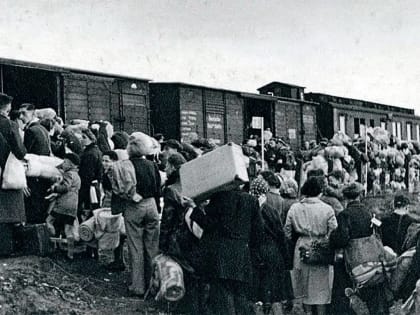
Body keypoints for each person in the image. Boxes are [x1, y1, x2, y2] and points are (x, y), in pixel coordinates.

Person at [189, 185, 264, 315]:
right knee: (240, 297)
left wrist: (195, 209)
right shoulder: (251, 200)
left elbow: (209, 225)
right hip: (242, 254)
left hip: (221, 256)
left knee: (223, 298)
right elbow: (258, 231)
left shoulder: (219, 198)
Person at [329, 182, 390, 315]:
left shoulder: (344, 214)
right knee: (373, 288)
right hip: (371, 256)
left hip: (353, 257)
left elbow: (342, 238)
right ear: (359, 196)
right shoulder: (368, 212)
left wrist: (332, 236)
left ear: (345, 198)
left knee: (343, 287)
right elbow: (378, 230)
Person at [284, 176, 337, 315]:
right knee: (320, 288)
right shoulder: (327, 209)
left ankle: (307, 313)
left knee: (303, 287)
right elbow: (333, 231)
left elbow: (287, 231)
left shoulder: (294, 208)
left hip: (301, 246)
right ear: (320, 191)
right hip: (320, 246)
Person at [159, 153, 203, 313]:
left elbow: (167, 220)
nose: (165, 168)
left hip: (178, 238)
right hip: (195, 237)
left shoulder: (171, 190)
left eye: (167, 165)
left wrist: (163, 243)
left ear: (173, 168)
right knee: (195, 277)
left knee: (180, 274)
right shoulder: (194, 185)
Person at [122, 132, 161, 297]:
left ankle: (137, 286)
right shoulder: (153, 166)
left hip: (135, 206)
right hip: (152, 205)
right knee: (152, 246)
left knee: (135, 247)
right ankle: (153, 285)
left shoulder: (125, 165)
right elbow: (159, 188)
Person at [249, 177, 292, 314]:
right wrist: (287, 260)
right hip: (273, 254)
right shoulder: (271, 211)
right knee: (275, 295)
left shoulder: (247, 210)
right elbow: (281, 236)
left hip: (254, 254)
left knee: (256, 295)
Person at [0, 93, 27, 256]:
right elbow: (20, 151)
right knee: (9, 212)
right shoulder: (10, 125)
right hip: (7, 173)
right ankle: (6, 249)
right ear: (6, 108)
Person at [19, 103, 52, 223]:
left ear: (33, 114)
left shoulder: (31, 131)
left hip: (33, 176)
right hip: (44, 176)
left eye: (24, 113)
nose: (21, 117)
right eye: (20, 113)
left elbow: (24, 156)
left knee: (32, 213)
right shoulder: (43, 129)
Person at [45, 153, 81, 259]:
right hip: (73, 206)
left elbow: (65, 187)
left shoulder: (69, 174)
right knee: (68, 229)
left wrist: (54, 188)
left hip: (63, 205)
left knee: (49, 221)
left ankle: (53, 245)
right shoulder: (77, 175)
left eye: (65, 162)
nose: (63, 164)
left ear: (71, 164)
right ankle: (70, 254)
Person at [101, 150, 126, 271]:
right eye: (103, 161)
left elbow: (115, 190)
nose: (104, 163)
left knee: (117, 232)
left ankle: (119, 261)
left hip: (114, 205)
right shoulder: (109, 172)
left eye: (107, 161)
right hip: (112, 203)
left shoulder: (113, 173)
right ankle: (118, 259)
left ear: (114, 161)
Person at [78, 128, 103, 219]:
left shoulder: (89, 154)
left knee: (87, 210)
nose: (81, 139)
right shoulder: (96, 151)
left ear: (91, 138)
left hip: (88, 187)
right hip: (94, 186)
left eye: (84, 137)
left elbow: (87, 174)